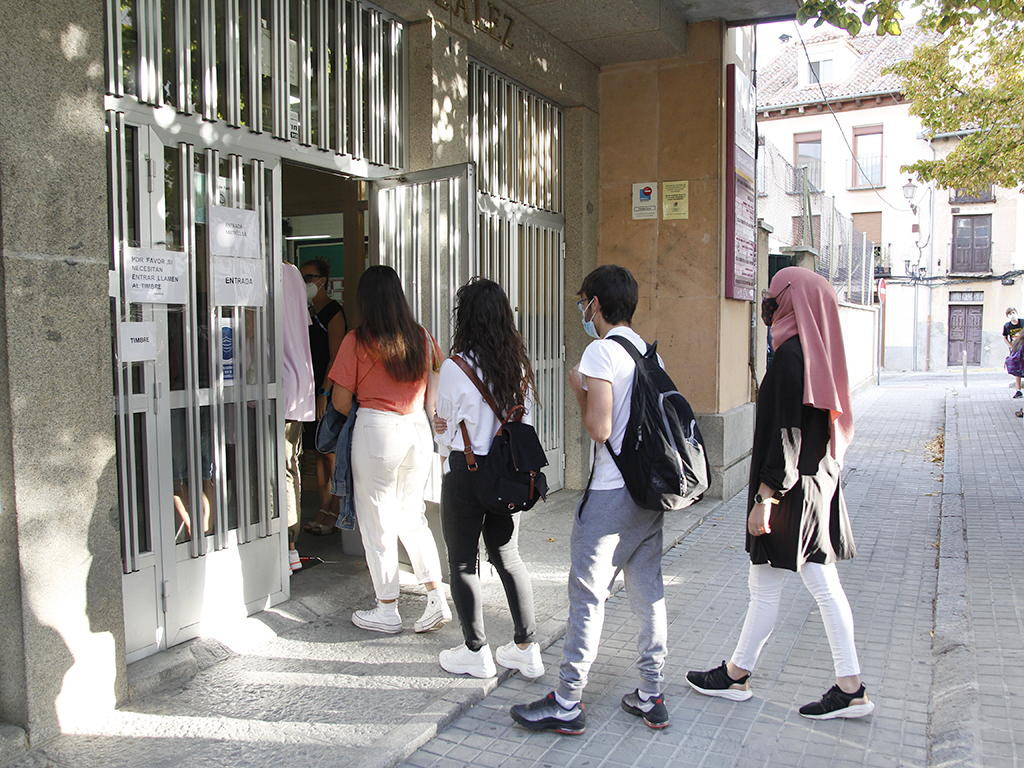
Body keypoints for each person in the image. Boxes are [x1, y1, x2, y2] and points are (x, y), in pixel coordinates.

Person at [686, 266, 874, 721]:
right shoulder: (810, 353)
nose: (768, 310)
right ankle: (737, 674)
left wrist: (766, 495)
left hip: (793, 491)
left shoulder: (793, 357)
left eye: (773, 301)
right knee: (769, 583)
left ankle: (848, 688)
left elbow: (788, 434)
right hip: (810, 484)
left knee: (820, 584)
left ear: (793, 303)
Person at [510, 265, 669, 735]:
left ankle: (567, 700)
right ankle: (651, 692)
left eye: (584, 302)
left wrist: (579, 388)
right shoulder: (644, 349)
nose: (582, 309)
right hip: (648, 493)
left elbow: (600, 429)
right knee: (648, 591)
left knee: (587, 596)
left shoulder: (601, 351)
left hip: (610, 496)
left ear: (595, 304)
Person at [328, 265, 451, 634]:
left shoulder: (357, 340)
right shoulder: (424, 338)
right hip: (417, 429)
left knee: (377, 523)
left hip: (376, 429)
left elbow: (339, 400)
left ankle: (387, 609)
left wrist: (370, 416)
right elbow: (435, 391)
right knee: (412, 517)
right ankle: (436, 599)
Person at [433, 278, 545, 680]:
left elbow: (444, 435)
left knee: (463, 562)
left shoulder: (455, 366)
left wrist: (441, 425)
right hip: (508, 474)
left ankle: (476, 652)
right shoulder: (518, 365)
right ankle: (526, 649)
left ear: (465, 318)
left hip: (466, 473)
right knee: (508, 557)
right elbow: (524, 423)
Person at [299, 257, 348, 535]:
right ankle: (323, 505)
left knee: (329, 451)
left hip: (326, 390)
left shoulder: (333, 312)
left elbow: (336, 357)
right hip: (307, 389)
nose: (305, 283)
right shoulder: (303, 310)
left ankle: (335, 510)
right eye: (301, 277)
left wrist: (324, 393)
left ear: (322, 281)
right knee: (316, 451)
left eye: (309, 278)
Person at [281, 261, 317, 571]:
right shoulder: (291, 274)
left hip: (277, 384)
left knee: (278, 470)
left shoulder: (272, 275)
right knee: (289, 466)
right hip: (296, 381)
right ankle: (290, 545)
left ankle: (287, 547)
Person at [1003, 307, 1023, 400]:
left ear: (1017, 313)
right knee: (1017, 369)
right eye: (1010, 314)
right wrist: (1011, 346)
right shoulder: (1007, 326)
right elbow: (1005, 337)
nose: (1012, 315)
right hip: (1015, 350)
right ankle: (1018, 390)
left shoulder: (1022, 322)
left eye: (1013, 312)